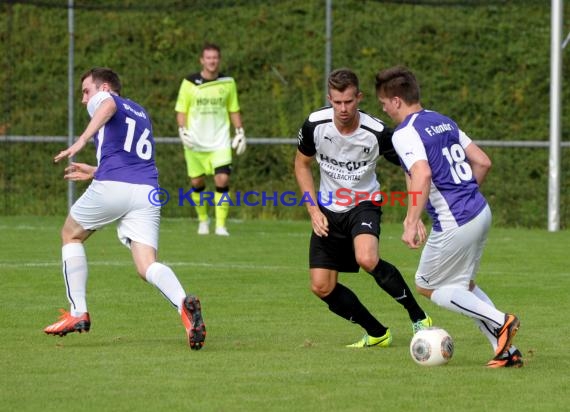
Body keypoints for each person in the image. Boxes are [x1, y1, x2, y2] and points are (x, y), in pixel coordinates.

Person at [44, 67, 206, 350]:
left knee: (70, 234)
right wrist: (96, 170)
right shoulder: (141, 112)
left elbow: (106, 105)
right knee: (146, 265)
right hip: (146, 192)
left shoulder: (105, 99)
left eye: (86, 91)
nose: (84, 99)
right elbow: (131, 159)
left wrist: (81, 141)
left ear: (104, 87)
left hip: (114, 187)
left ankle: (78, 311)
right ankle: (184, 306)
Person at [374, 65, 522, 367]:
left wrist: (412, 221)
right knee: (463, 285)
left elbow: (422, 173)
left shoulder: (404, 133)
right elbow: (483, 162)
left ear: (397, 100)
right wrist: (462, 194)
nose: (385, 109)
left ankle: (501, 320)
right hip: (480, 211)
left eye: (384, 103)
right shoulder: (442, 121)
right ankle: (504, 351)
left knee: (427, 285)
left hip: (457, 220)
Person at [295, 68, 432, 348]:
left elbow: (411, 167)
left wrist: (414, 214)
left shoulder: (377, 131)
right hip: (327, 209)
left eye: (348, 101)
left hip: (364, 205)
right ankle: (377, 332)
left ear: (359, 97)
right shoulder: (314, 125)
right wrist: (313, 210)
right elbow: (301, 164)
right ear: (329, 99)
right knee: (321, 286)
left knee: (367, 258)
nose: (343, 108)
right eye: (337, 102)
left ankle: (418, 316)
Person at [175, 42, 245, 236]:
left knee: (222, 179)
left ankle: (221, 225)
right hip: (195, 143)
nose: (212, 61)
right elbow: (181, 110)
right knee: (197, 183)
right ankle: (203, 220)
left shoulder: (228, 82)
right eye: (208, 58)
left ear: (219, 60)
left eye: (215, 57)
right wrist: (182, 130)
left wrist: (239, 131)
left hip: (220, 142)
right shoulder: (189, 83)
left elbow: (233, 108)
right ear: (202, 60)